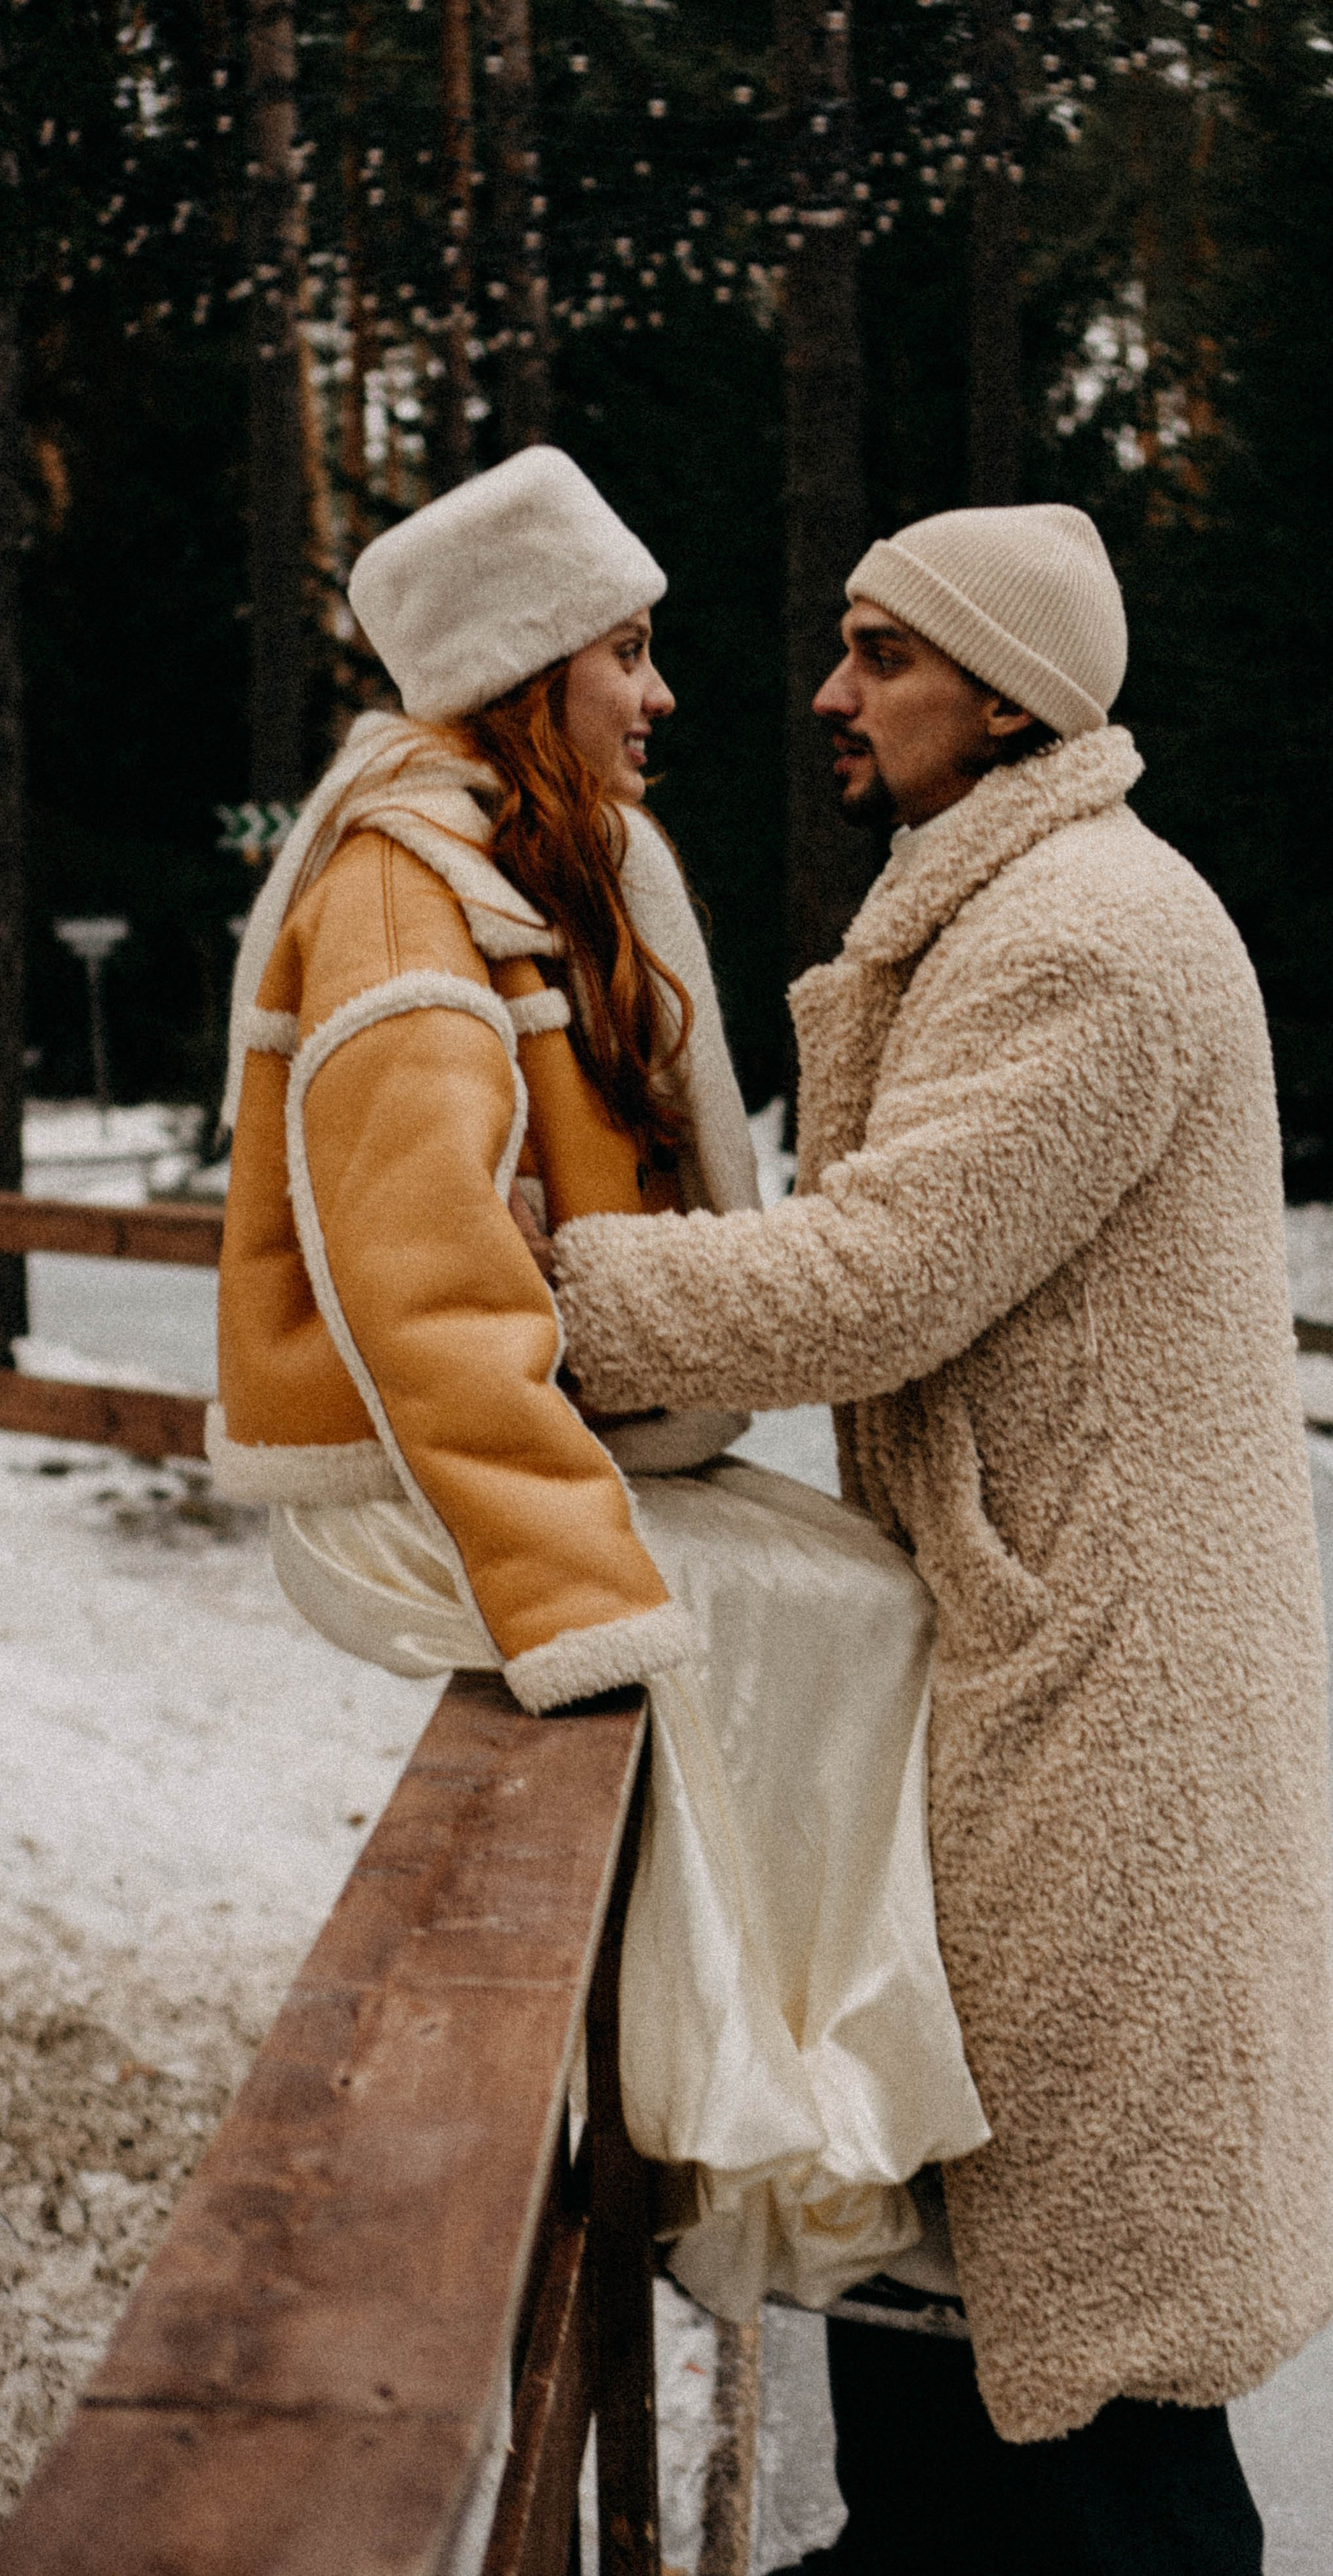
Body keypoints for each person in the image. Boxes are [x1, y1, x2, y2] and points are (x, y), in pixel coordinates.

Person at [535, 503, 1333, 2573]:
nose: (828, 690)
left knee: (1102, 2381)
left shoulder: (1090, 934)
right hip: (1036, 1672)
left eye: (880, 652)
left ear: (1008, 692)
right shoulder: (1011, 905)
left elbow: (881, 1273)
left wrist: (548, 1293)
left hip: (1105, 1714)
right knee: (993, 2312)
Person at [211, 447, 989, 2325]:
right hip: (412, 1487)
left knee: (866, 1601)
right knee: (806, 1624)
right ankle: (773, 2164)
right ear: (523, 671)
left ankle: (834, 2128)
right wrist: (577, 1588)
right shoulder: (410, 894)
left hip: (515, 1460)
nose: (662, 695)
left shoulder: (534, 856)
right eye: (623, 654)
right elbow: (427, 1307)